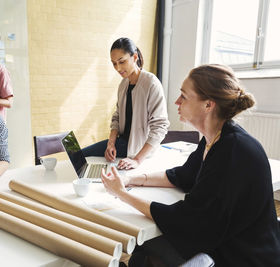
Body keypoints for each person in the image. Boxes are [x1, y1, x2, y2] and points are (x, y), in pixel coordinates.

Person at [101, 64, 280, 266]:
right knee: (144, 247)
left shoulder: (232, 150)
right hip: (224, 241)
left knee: (142, 243)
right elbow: (183, 176)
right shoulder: (215, 138)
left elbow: (187, 221)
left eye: (184, 96)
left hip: (242, 257)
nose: (177, 101)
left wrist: (123, 195)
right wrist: (130, 179)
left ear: (208, 105)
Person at [82, 37, 169, 170]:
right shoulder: (123, 84)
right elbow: (117, 116)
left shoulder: (151, 83)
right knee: (79, 157)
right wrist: (111, 143)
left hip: (139, 149)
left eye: (122, 62)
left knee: (80, 156)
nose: (118, 68)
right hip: (122, 144)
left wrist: (137, 160)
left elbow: (160, 127)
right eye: (114, 63)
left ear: (134, 57)